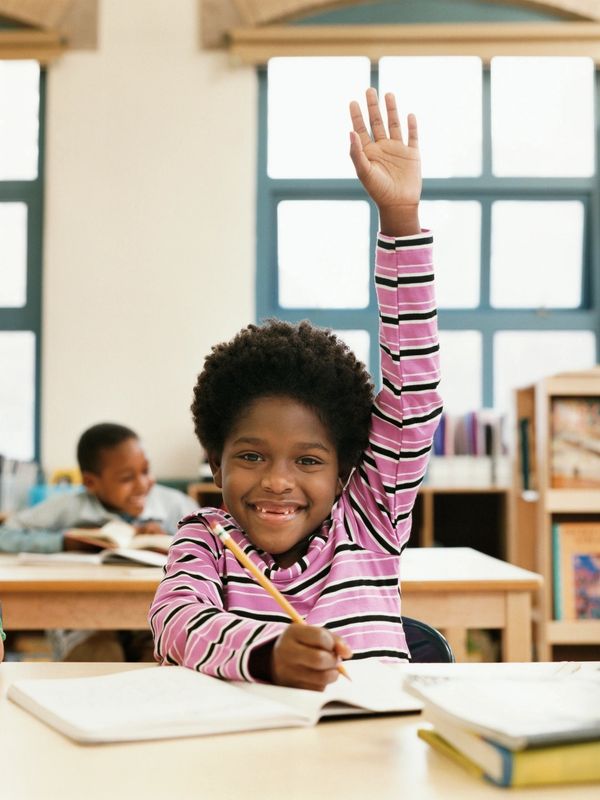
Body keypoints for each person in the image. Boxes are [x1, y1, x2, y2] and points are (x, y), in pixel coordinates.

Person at [150, 88, 442, 690]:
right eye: (251, 455)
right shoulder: (205, 539)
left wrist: (401, 222)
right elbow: (176, 623)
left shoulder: (370, 518)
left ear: (345, 472)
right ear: (215, 460)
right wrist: (269, 653)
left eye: (307, 460)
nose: (277, 480)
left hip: (371, 767)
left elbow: (413, 393)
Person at [1, 422, 197, 660]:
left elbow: (208, 546)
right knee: (100, 654)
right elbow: (6, 534)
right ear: (91, 482)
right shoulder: (70, 507)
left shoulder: (174, 504)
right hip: (83, 617)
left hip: (149, 613)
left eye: (146, 471)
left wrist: (168, 541)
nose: (142, 484)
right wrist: (65, 543)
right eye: (126, 478)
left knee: (160, 657)